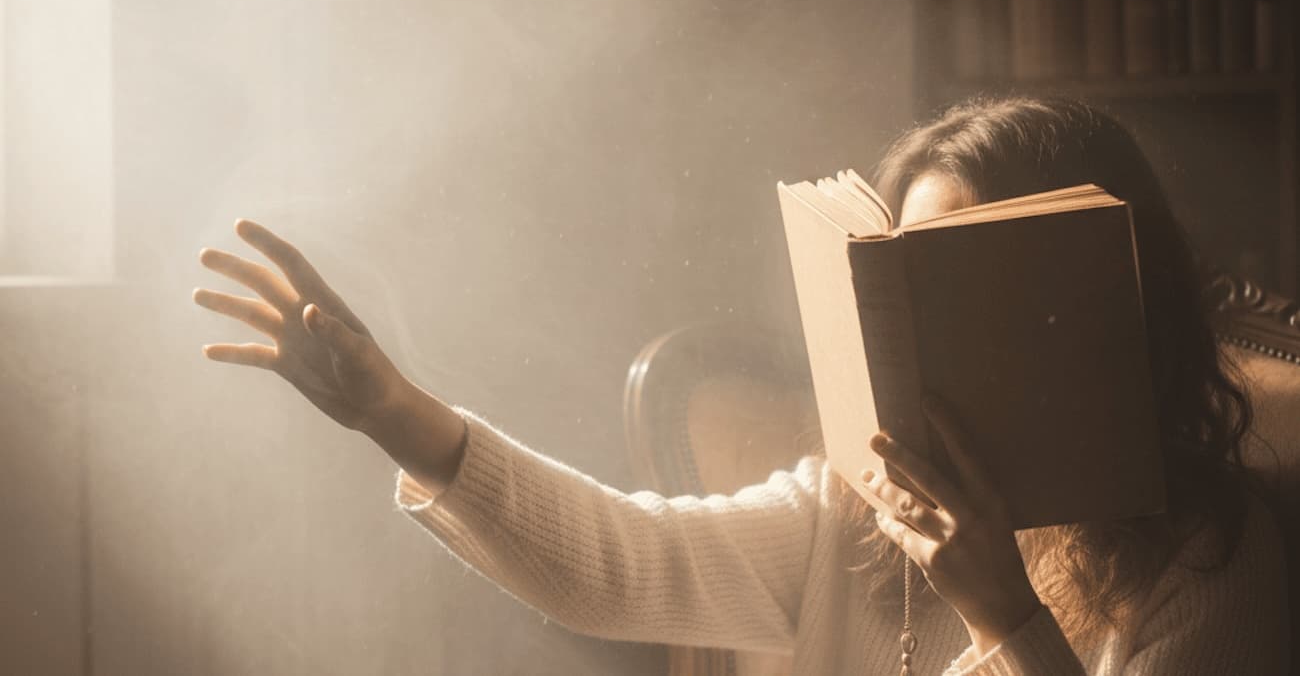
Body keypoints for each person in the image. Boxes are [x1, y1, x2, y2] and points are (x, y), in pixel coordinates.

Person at [192, 97, 1289, 675]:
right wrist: (395, 415)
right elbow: (619, 565)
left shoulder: (1213, 567)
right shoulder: (857, 509)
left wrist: (1001, 606)